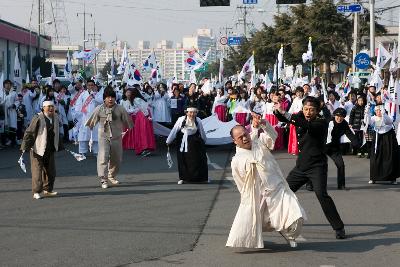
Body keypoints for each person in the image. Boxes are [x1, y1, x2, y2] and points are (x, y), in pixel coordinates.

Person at [274, 96, 346, 239]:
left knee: (322, 195)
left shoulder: (321, 123)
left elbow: (305, 124)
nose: (308, 112)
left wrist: (286, 114)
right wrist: (277, 110)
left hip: (317, 166)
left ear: (317, 111)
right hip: (301, 166)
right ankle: (281, 222)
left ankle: (339, 227)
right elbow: (285, 119)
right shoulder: (300, 116)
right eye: (306, 109)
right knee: (284, 193)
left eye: (312, 110)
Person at [226, 123, 306, 249]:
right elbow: (240, 182)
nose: (245, 138)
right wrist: (246, 197)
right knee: (259, 222)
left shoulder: (259, 142)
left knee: (295, 215)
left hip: (277, 188)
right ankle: (260, 237)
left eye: (245, 134)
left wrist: (264, 125)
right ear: (234, 141)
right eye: (240, 137)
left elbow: (272, 136)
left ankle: (289, 235)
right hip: (257, 193)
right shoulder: (237, 160)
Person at [85, 87, 133, 189]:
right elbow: (91, 122)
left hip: (116, 136)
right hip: (103, 136)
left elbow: (129, 122)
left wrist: (128, 130)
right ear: (104, 99)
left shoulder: (120, 108)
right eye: (108, 97)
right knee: (103, 157)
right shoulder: (99, 108)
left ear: (115, 98)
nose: (110, 99)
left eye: (112, 97)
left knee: (117, 159)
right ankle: (104, 179)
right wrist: (90, 133)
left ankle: (111, 175)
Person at [20, 101, 63, 199]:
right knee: (37, 172)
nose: (51, 108)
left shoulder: (56, 117)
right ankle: (36, 192)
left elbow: (56, 133)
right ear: (43, 108)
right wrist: (25, 147)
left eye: (52, 106)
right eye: (49, 107)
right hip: (37, 149)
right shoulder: (38, 118)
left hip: (49, 149)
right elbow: (29, 133)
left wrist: (59, 145)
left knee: (51, 172)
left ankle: (47, 190)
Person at [166, 106, 208, 184]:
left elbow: (201, 131)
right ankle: (183, 178)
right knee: (183, 159)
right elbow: (174, 130)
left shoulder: (198, 120)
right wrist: (169, 140)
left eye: (194, 112)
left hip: (194, 141)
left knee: (197, 159)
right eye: (190, 112)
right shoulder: (181, 119)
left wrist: (204, 141)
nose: (192, 114)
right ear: (186, 112)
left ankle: (201, 178)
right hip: (182, 140)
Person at [326, 108, 359, 190]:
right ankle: (310, 184)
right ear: (334, 115)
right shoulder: (327, 121)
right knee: (317, 166)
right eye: (337, 116)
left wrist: (356, 142)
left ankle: (341, 185)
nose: (339, 118)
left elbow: (350, 134)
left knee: (341, 165)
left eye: (341, 117)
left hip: (334, 148)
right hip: (322, 146)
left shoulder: (344, 124)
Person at [366, 105, 399, 185]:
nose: (378, 112)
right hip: (378, 138)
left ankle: (392, 178)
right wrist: (367, 114)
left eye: (379, 110)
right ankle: (373, 178)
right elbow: (369, 122)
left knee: (389, 157)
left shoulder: (387, 117)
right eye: (376, 110)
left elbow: (389, 121)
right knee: (375, 157)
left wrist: (384, 114)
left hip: (388, 138)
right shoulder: (374, 118)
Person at [75, 80, 102, 155]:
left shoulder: (98, 94)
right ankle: (83, 151)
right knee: (84, 134)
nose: (90, 86)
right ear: (86, 86)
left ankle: (96, 151)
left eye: (92, 85)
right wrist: (78, 115)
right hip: (85, 117)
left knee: (95, 134)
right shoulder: (83, 94)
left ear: (94, 86)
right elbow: (78, 105)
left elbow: (101, 102)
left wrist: (93, 96)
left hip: (95, 117)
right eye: (89, 85)